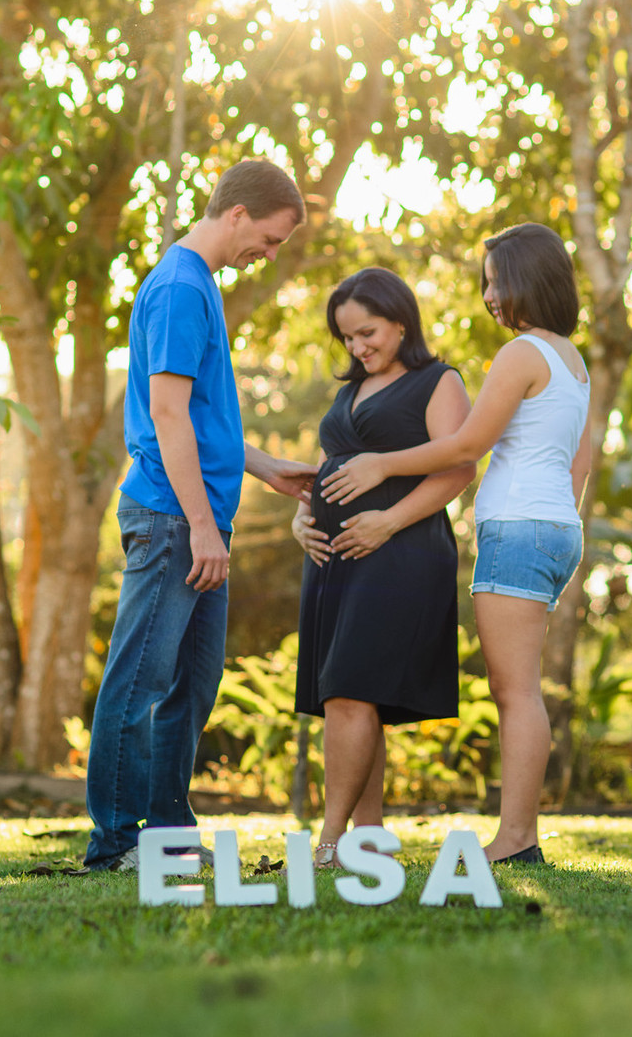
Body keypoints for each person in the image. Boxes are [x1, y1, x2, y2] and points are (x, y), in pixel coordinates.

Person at [321, 224, 591, 865]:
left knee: (514, 691)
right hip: (556, 527)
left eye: (497, 281)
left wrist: (382, 466)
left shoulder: (521, 354)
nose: (490, 295)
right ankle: (518, 834)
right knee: (520, 688)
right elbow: (578, 464)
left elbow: (467, 446)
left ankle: (516, 837)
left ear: (529, 278)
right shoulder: (570, 360)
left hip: (518, 528)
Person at [84, 159, 315, 872]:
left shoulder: (198, 285)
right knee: (141, 680)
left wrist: (262, 465)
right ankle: (117, 840)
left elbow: (200, 417)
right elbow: (165, 413)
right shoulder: (183, 286)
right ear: (238, 213)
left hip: (196, 516)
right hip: (172, 520)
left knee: (193, 681)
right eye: (270, 240)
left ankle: (166, 829)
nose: (267, 255)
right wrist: (204, 527)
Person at [292, 267, 475, 868]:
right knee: (347, 698)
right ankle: (367, 840)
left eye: (367, 333)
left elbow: (457, 468)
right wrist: (302, 519)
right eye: (346, 338)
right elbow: (327, 469)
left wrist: (388, 519)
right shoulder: (349, 393)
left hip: (397, 553)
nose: (357, 347)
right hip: (334, 562)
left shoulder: (437, 380)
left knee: (349, 690)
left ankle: (329, 841)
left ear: (401, 321)